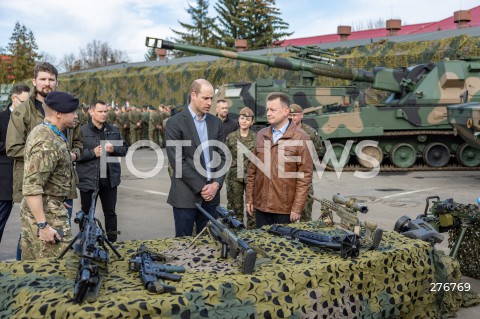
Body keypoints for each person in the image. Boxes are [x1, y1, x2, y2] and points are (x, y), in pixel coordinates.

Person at [6, 62, 82, 259]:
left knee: (39, 249)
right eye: (43, 79)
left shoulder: (62, 110)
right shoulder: (25, 114)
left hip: (54, 193)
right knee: (45, 249)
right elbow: (14, 149)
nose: (47, 83)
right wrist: (49, 156)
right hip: (38, 193)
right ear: (34, 81)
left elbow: (77, 143)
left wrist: (54, 196)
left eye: (51, 79)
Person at [20, 91, 79, 260]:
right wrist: (43, 226)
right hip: (46, 216)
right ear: (59, 114)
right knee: (59, 267)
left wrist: (56, 197)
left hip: (50, 206)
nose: (76, 116)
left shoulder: (48, 132)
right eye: (73, 112)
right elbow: (32, 187)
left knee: (41, 266)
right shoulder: (47, 142)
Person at [165, 79, 226, 237]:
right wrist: (202, 187)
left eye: (211, 98)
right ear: (193, 95)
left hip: (211, 197)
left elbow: (222, 156)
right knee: (184, 245)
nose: (209, 102)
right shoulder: (175, 123)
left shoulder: (216, 123)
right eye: (205, 98)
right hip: (185, 197)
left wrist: (215, 185)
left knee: (209, 245)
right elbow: (177, 161)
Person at [246, 93, 313, 228]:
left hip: (285, 209)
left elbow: (305, 176)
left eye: (273, 110)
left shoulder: (301, 138)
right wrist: (249, 198)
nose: (268, 113)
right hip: (261, 206)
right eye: (267, 110)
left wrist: (297, 207)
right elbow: (252, 170)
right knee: (261, 245)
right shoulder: (261, 135)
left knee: (283, 247)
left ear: (286, 111)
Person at [76, 100, 128, 243]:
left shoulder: (113, 130)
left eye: (105, 111)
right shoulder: (81, 131)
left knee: (110, 213)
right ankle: (85, 242)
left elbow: (124, 149)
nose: (104, 114)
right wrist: (92, 153)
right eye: (100, 111)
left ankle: (112, 241)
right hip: (88, 180)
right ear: (91, 112)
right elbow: (74, 154)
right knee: (86, 213)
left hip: (109, 180)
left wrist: (114, 149)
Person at [0, 84, 30, 243]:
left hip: (26, 178)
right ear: (13, 98)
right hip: (5, 180)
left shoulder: (29, 119)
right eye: (24, 101)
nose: (27, 105)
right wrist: (13, 145)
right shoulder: (1, 117)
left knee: (29, 227)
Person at [289, 103, 323, 222]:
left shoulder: (310, 133)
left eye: (295, 115)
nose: (292, 118)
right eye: (290, 115)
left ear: (301, 116)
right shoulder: (283, 131)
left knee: (306, 210)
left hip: (304, 175)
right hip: (286, 176)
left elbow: (318, 151)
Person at [225, 107, 256, 229]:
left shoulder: (257, 137)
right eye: (242, 118)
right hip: (234, 179)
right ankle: (234, 237)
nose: (244, 121)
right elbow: (225, 156)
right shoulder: (231, 137)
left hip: (251, 178)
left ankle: (252, 238)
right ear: (238, 120)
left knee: (252, 210)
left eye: (247, 119)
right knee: (234, 209)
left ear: (252, 122)